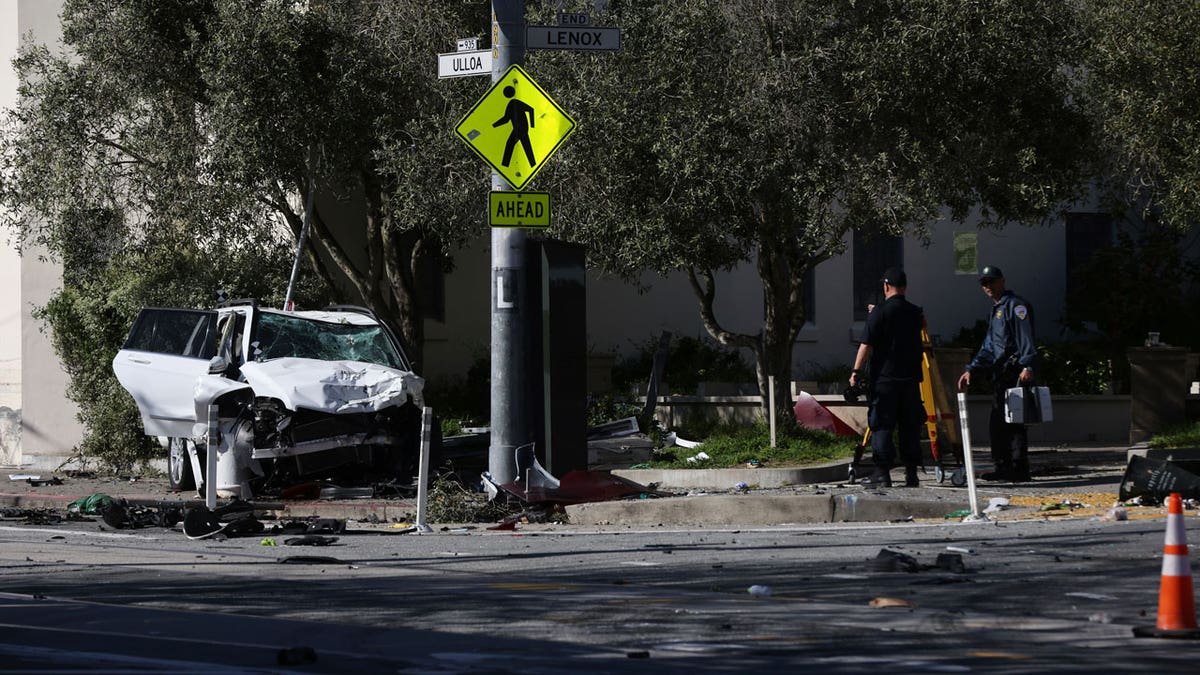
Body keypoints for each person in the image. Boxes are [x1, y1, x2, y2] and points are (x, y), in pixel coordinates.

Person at [956, 265, 1037, 482]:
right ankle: (1003, 466)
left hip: (1015, 373)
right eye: (984, 283)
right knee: (998, 422)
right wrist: (972, 369)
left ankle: (1018, 468)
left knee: (1015, 422)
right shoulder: (997, 310)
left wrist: (1027, 366)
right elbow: (990, 345)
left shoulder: (1015, 306)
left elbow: (1025, 337)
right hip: (1001, 374)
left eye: (991, 281)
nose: (988, 286)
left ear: (1002, 281)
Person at [849, 267, 926, 488]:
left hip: (885, 380)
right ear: (905, 286)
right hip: (910, 379)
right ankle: (912, 474)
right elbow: (921, 329)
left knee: (882, 425)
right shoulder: (915, 312)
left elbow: (866, 345)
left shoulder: (879, 313)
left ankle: (882, 473)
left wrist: (855, 372)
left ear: (885, 286)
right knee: (909, 426)